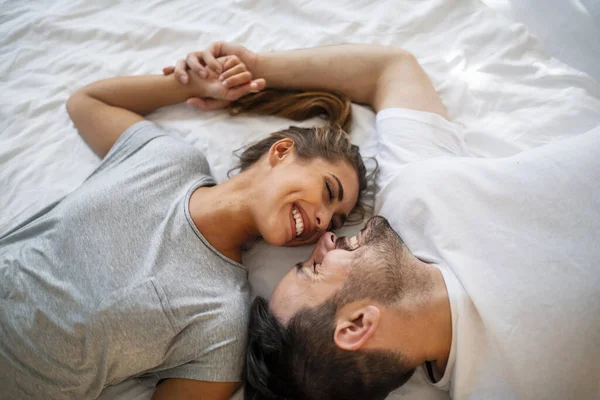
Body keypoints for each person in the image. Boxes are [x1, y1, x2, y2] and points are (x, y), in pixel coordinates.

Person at [174, 43, 600, 399]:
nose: (324, 237)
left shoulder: (406, 199)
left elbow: (391, 69)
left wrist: (251, 70)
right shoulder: (514, 386)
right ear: (358, 324)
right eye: (314, 266)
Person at [0, 55, 368, 399]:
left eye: (333, 220)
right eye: (328, 191)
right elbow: (86, 101)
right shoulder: (167, 159)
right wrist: (194, 87)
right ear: (282, 151)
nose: (321, 220)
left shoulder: (222, 321)